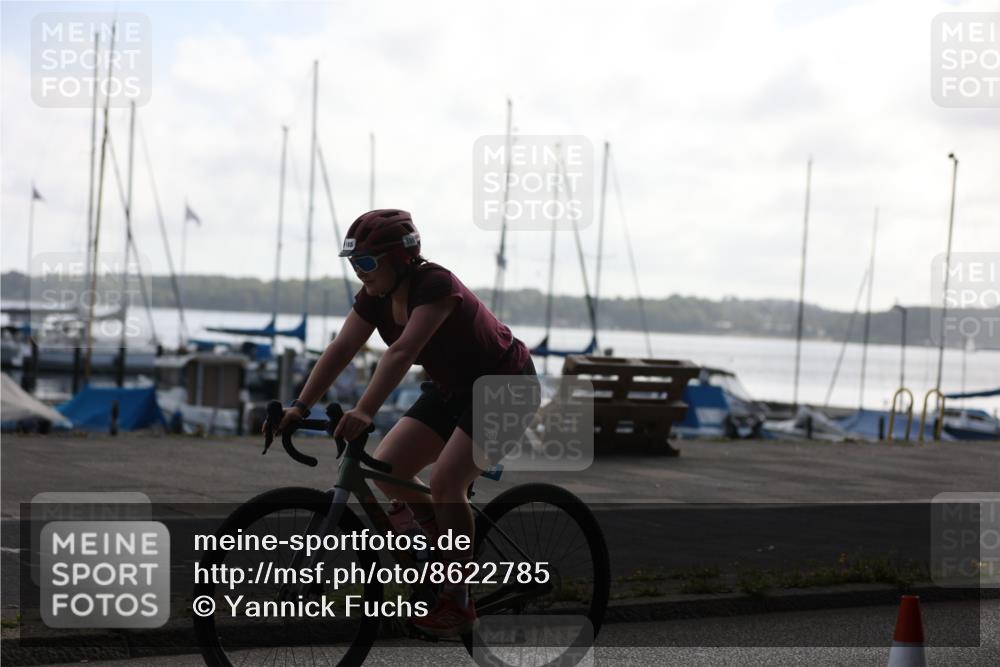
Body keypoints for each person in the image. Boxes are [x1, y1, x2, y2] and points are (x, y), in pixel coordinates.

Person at [272, 209, 539, 636]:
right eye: (354, 264)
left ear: (399, 259)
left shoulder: (435, 286)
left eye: (367, 263)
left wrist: (364, 411)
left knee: (446, 482)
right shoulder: (374, 298)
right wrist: (300, 407)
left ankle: (458, 599)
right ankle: (437, 554)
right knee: (389, 467)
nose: (360, 274)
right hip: (451, 388)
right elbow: (342, 348)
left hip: (505, 387)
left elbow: (403, 351)